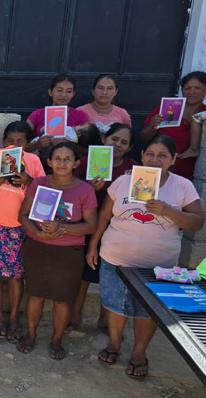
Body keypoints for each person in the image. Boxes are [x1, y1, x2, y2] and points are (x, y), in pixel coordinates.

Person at [88, 135, 205, 379]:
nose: (154, 160)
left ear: (173, 159)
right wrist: (93, 245)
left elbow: (197, 222)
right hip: (115, 258)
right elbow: (105, 215)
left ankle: (139, 352)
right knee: (114, 305)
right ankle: (114, 343)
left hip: (158, 266)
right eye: (150, 154)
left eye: (162, 155)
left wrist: (168, 211)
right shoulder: (123, 181)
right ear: (142, 156)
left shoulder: (182, 186)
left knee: (147, 311)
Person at [16, 142, 98, 360]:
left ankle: (56, 340)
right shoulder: (39, 184)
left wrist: (62, 228)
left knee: (63, 299)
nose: (62, 163)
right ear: (49, 162)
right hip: (37, 246)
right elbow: (23, 215)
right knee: (35, 294)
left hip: (68, 252)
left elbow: (91, 225)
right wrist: (38, 233)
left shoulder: (85, 190)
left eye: (67, 159)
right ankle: (31, 335)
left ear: (76, 163)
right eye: (58, 159)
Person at [0, 121, 45, 341]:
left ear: (27, 144)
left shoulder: (33, 160)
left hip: (20, 225)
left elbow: (43, 192)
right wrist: (6, 171)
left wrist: (28, 180)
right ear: (3, 141)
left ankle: (14, 318)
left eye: (20, 142)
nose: (14, 145)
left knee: (16, 276)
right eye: (10, 141)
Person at [70, 123, 139, 331]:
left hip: (116, 229)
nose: (118, 144)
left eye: (124, 142)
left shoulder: (133, 168)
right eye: (114, 139)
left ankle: (104, 319)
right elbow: (71, 190)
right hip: (87, 223)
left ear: (129, 148)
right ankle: (75, 316)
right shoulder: (86, 162)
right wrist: (89, 189)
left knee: (108, 275)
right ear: (103, 139)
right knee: (83, 273)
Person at [140, 71, 206, 179]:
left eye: (197, 88)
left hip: (190, 171)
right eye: (187, 88)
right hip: (158, 168)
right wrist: (153, 126)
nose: (192, 92)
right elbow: (142, 138)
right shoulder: (168, 108)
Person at [26, 74, 90, 150]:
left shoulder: (80, 116)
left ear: (73, 94)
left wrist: (68, 144)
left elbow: (87, 145)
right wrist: (37, 145)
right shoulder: (37, 114)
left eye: (69, 91)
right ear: (50, 92)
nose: (64, 95)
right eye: (59, 90)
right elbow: (22, 142)